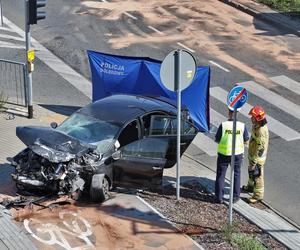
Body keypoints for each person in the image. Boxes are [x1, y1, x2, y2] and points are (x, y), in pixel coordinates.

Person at [215, 109, 249, 204]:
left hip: (224, 154)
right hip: (237, 154)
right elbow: (246, 141)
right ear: (237, 114)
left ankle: (219, 197)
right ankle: (235, 197)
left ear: (229, 114)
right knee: (237, 174)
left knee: (221, 175)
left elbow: (217, 139)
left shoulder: (224, 125)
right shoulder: (242, 126)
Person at [242, 106, 269, 204]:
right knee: (251, 172)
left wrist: (254, 161)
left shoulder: (261, 130)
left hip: (258, 158)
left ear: (257, 118)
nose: (251, 118)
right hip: (253, 154)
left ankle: (257, 196)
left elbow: (261, 148)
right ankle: (250, 187)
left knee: (258, 176)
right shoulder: (256, 125)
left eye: (252, 117)